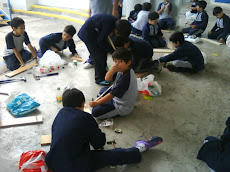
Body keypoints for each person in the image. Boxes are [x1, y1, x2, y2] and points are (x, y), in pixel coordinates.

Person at [45, 88, 163, 172]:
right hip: (75, 167)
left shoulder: (59, 114)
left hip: (53, 162)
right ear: (83, 103)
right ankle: (139, 149)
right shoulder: (85, 117)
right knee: (111, 156)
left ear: (64, 104)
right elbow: (99, 144)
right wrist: (98, 134)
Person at [78, 14, 131, 85]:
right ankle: (99, 79)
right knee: (99, 55)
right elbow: (101, 41)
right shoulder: (108, 25)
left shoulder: (117, 23)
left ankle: (99, 67)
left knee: (101, 53)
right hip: (87, 34)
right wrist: (112, 51)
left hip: (94, 33)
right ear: (116, 30)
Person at [89, 48, 137, 119]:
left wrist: (97, 103)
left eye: (120, 61)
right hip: (118, 97)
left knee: (95, 113)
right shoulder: (123, 69)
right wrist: (111, 70)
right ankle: (104, 103)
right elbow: (107, 79)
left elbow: (111, 95)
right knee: (103, 90)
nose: (117, 64)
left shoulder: (125, 78)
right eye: (115, 61)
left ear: (129, 62)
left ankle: (106, 106)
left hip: (122, 106)